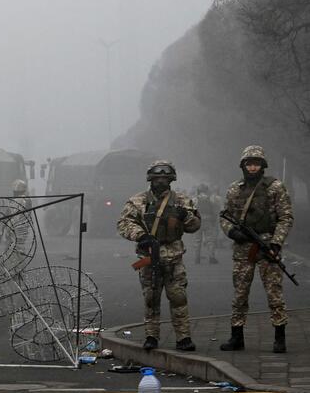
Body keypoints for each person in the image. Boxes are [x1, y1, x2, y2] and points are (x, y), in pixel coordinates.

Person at [117, 160, 201, 351]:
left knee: (178, 298)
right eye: (157, 178)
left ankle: (183, 338)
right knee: (151, 300)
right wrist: (141, 235)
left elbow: (194, 226)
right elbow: (124, 223)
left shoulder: (182, 201)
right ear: (150, 179)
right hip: (149, 258)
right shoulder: (138, 201)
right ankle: (151, 337)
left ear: (171, 179)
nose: (161, 181)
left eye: (165, 178)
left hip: (174, 258)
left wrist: (185, 217)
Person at [219, 145, 293, 353]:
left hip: (268, 246)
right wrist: (233, 232)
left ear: (263, 165)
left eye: (256, 163)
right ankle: (236, 336)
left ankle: (280, 337)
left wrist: (276, 243)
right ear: (243, 165)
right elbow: (224, 216)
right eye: (249, 163)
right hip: (243, 249)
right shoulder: (235, 189)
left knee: (274, 293)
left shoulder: (275, 188)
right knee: (240, 294)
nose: (252, 167)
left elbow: (285, 217)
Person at [194, 183, 218, 264]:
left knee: (197, 241)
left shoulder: (195, 199)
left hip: (197, 221)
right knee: (210, 240)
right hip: (208, 221)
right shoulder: (210, 199)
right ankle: (211, 257)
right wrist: (214, 221)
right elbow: (214, 211)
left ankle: (197, 258)